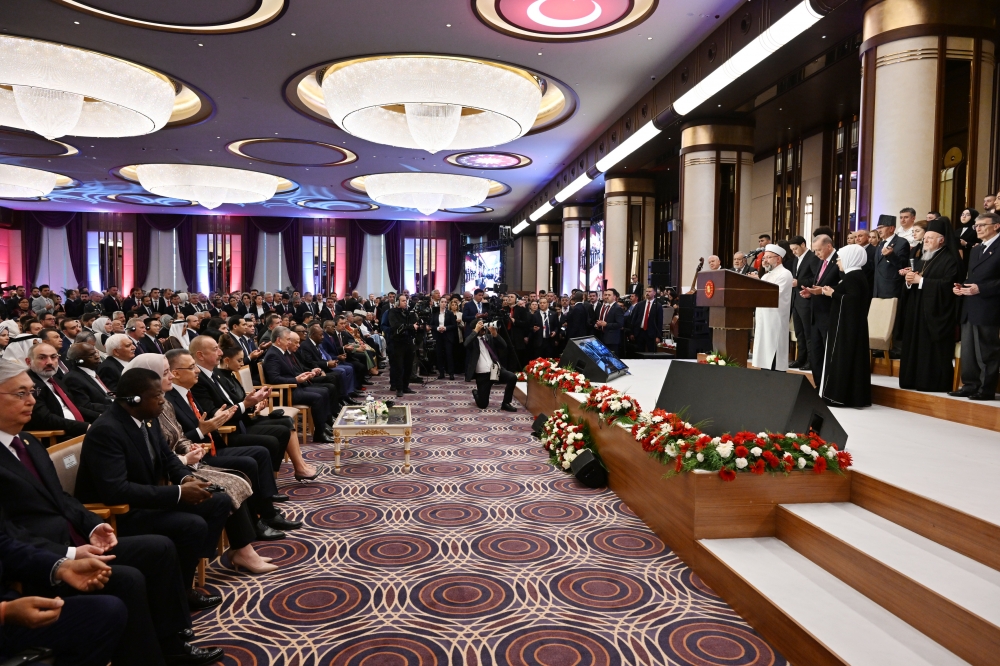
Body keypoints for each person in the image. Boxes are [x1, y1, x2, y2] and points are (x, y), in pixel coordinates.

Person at [0, 358, 222, 666]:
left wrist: (93, 526)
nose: (32, 401)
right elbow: (10, 534)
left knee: (161, 548)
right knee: (131, 577)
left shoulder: (26, 442)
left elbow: (62, 499)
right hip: (45, 558)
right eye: (21, 393)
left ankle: (173, 639)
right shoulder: (107, 429)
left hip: (80, 539)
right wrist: (68, 555)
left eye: (32, 391)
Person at [74, 369, 232, 608]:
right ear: (133, 399)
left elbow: (168, 458)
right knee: (192, 525)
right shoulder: (107, 430)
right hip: (119, 514)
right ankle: (179, 591)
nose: (162, 400)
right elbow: (116, 491)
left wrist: (186, 479)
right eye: (157, 395)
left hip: (147, 499)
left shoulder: (148, 418)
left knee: (218, 500)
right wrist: (178, 493)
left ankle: (182, 575)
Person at [133, 353, 285, 573]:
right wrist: (187, 455)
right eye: (165, 373)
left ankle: (244, 546)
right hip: (167, 477)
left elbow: (178, 438)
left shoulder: (163, 403)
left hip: (185, 463)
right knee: (229, 485)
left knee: (238, 477)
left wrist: (190, 448)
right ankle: (233, 551)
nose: (170, 377)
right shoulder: (150, 407)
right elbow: (159, 453)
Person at [0, 530, 126, 666]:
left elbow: (5, 547)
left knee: (108, 609)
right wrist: (4, 612)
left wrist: (63, 567)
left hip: (8, 611)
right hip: (7, 613)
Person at [899, 219, 961, 392]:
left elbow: (948, 285)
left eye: (930, 238)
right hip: (917, 312)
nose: (925, 241)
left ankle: (931, 383)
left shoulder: (950, 259)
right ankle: (912, 379)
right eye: (925, 238)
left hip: (935, 313)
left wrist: (921, 281)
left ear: (941, 240)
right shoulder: (923, 258)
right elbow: (915, 279)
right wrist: (909, 281)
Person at [950, 212, 1000, 400]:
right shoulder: (976, 249)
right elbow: (972, 277)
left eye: (981, 225)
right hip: (970, 305)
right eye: (975, 226)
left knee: (986, 350)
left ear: (996, 226)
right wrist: (961, 287)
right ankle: (970, 385)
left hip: (989, 306)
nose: (977, 228)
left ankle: (986, 389)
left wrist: (981, 288)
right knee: (969, 350)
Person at [818, 244, 872, 407]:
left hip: (848, 328)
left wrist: (833, 293)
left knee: (844, 358)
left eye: (839, 259)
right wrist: (828, 291)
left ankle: (838, 396)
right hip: (850, 325)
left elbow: (852, 300)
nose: (837, 262)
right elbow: (848, 293)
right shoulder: (853, 276)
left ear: (850, 259)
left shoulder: (853, 277)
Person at [23, 343, 97, 441]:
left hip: (76, 430)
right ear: (28, 361)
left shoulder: (56, 380)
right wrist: (85, 427)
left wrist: (99, 416)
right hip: (57, 437)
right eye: (42, 358)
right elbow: (45, 419)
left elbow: (74, 407)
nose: (49, 362)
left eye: (53, 357)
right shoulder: (28, 385)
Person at [799, 235, 840, 383]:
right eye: (815, 250)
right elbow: (818, 284)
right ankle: (818, 385)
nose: (816, 254)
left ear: (828, 246)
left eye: (818, 250)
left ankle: (828, 385)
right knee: (816, 354)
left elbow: (842, 287)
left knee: (827, 353)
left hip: (829, 314)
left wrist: (822, 291)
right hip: (816, 314)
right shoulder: (822, 261)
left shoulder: (839, 260)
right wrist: (811, 293)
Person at [750, 244, 794, 371]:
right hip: (763, 318)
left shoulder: (785, 274)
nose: (765, 261)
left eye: (769, 257)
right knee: (764, 356)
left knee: (774, 354)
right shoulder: (766, 275)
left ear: (778, 259)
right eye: (764, 258)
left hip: (775, 319)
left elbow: (774, 295)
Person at [465, 320, 517, 412]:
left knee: (512, 377)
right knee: (483, 405)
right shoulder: (473, 340)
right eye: (481, 327)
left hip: (495, 370)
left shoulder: (489, 337)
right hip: (482, 375)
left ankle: (506, 403)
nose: (483, 329)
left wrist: (495, 334)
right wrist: (476, 331)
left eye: (483, 327)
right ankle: (476, 393)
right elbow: (466, 344)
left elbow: (504, 345)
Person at [789, 235, 819, 370]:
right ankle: (801, 359)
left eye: (795, 248)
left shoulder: (812, 258)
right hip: (796, 300)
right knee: (799, 332)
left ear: (802, 244)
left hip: (807, 300)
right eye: (792, 250)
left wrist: (799, 282)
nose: (794, 252)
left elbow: (816, 278)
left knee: (808, 332)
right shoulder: (796, 259)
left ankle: (811, 361)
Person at [63, 342, 115, 414]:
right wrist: (114, 408)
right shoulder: (73, 379)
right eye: (91, 355)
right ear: (79, 360)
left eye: (95, 353)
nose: (97, 357)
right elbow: (85, 406)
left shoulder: (93, 372)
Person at [387, 295, 419, 397]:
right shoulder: (392, 312)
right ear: (398, 302)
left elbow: (415, 324)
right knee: (399, 366)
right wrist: (411, 326)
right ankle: (399, 388)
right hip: (398, 343)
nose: (405, 302)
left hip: (409, 342)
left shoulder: (408, 313)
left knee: (408, 366)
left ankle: (406, 386)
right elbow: (396, 326)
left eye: (406, 301)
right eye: (403, 301)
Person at [432, 298, 459, 379]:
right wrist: (437, 328)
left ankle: (451, 373)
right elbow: (431, 325)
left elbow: (454, 325)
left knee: (449, 354)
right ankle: (441, 373)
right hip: (438, 336)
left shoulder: (450, 313)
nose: (444, 303)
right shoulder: (435, 313)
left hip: (448, 336)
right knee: (439, 354)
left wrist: (446, 328)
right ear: (439, 303)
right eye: (442, 302)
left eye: (445, 302)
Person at [593, 289, 625, 355]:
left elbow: (620, 324)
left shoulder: (617, 308)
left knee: (612, 357)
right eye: (606, 295)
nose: (607, 296)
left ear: (614, 297)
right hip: (603, 337)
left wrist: (606, 324)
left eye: (609, 295)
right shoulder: (607, 307)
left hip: (612, 339)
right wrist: (600, 323)